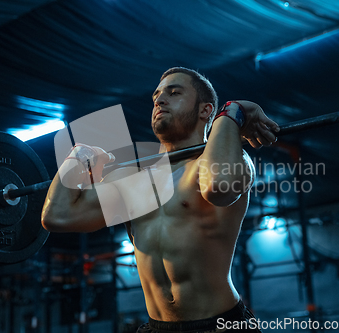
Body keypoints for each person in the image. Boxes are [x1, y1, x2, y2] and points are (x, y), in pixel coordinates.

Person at [42, 67, 279, 332]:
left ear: (205, 111)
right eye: (156, 95)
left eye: (174, 92)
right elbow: (57, 216)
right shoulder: (133, 181)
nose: (159, 100)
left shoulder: (228, 160)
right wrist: (78, 156)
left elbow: (219, 186)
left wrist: (232, 114)